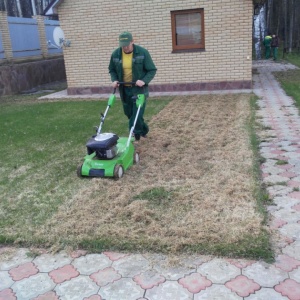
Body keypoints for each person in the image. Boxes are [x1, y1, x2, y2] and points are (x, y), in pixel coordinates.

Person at [108, 31, 157, 141]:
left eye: (127, 45)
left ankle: (135, 136)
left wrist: (143, 81)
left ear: (132, 41)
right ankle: (144, 130)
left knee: (137, 113)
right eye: (122, 45)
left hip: (139, 89)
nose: (124, 48)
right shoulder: (115, 54)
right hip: (124, 89)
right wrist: (114, 80)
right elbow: (112, 70)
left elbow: (152, 70)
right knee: (129, 114)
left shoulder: (143, 53)